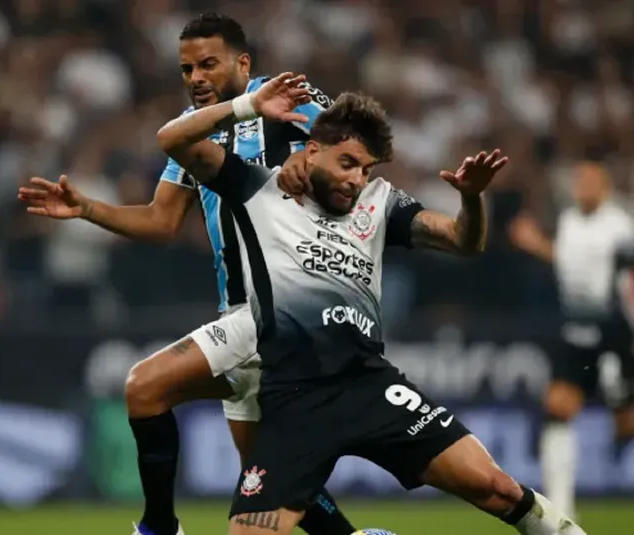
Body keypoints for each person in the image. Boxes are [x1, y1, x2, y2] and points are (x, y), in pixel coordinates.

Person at [156, 72, 588, 535]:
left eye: (365, 169)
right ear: (311, 150)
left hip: (369, 386)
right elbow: (172, 140)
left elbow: (464, 241)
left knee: (498, 488)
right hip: (293, 403)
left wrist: (471, 198)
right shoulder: (258, 189)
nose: (356, 180)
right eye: (347, 163)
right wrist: (246, 107)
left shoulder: (380, 203)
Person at [17, 13, 356, 535]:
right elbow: (161, 221)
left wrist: (315, 168)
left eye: (208, 64)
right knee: (266, 477)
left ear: (243, 63)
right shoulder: (192, 131)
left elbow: (359, 153)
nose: (196, 77)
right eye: (187, 69)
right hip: (240, 309)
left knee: (145, 386)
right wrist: (88, 209)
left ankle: (158, 528)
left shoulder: (289, 97)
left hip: (290, 305)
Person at [510, 161, 634, 519]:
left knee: (628, 428)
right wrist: (536, 244)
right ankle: (561, 510)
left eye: (590, 182)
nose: (582, 187)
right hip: (574, 328)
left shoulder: (618, 227)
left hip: (612, 331)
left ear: (605, 189)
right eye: (579, 181)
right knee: (557, 410)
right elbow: (569, 263)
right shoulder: (568, 221)